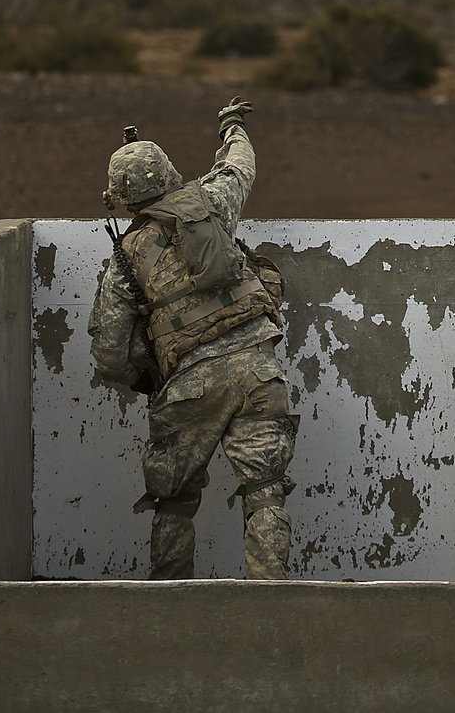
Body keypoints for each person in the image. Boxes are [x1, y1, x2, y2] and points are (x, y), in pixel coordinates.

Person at [88, 97, 297, 580]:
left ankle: (171, 609)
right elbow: (239, 164)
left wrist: (147, 381)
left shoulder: (125, 258)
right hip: (259, 370)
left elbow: (109, 354)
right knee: (265, 491)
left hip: (188, 385)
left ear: (123, 198)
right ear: (168, 173)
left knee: (174, 500)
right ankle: (272, 605)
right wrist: (232, 124)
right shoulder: (212, 203)